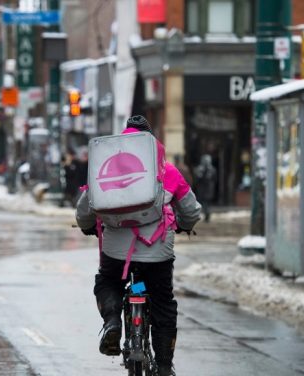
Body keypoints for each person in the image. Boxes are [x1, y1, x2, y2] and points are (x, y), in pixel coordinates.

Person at [76, 115, 201, 376]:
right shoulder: (167, 169)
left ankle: (112, 323)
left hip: (116, 252)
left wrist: (88, 225)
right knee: (163, 302)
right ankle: (165, 365)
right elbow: (190, 210)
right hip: (158, 252)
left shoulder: (105, 166)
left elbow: (85, 208)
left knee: (108, 282)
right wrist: (184, 224)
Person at [194, 154, 217, 222]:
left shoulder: (212, 170)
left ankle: (207, 214)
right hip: (203, 189)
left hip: (207, 189)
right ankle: (205, 214)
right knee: (203, 203)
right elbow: (197, 179)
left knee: (206, 203)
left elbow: (214, 179)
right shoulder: (200, 169)